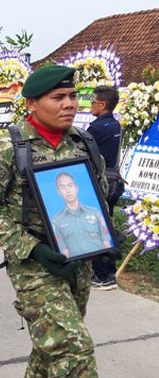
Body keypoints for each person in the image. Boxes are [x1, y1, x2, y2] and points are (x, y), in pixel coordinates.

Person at [0, 65, 109, 378]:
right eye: (58, 97)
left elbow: (96, 198)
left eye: (72, 96)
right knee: (73, 348)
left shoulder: (84, 142)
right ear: (32, 103)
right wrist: (32, 248)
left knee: (51, 348)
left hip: (78, 258)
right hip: (34, 263)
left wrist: (106, 235)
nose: (70, 104)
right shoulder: (9, 148)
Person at [87, 85, 122, 290]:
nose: (91, 106)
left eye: (92, 102)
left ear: (102, 104)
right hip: (114, 182)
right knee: (106, 226)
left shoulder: (95, 129)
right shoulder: (116, 126)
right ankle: (108, 271)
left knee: (96, 228)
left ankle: (102, 275)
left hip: (100, 182)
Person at [52, 172, 112, 258]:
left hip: (100, 260)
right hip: (77, 265)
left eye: (70, 185)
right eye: (62, 187)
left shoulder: (94, 213)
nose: (67, 190)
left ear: (76, 188)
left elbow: (106, 242)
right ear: (59, 192)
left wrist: (109, 257)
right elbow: (64, 251)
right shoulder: (57, 220)